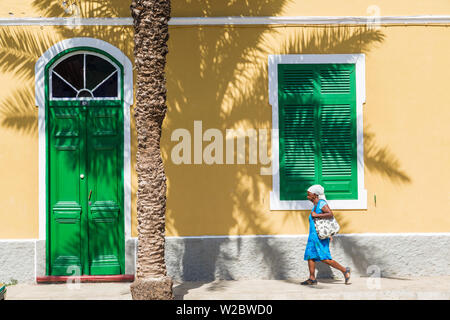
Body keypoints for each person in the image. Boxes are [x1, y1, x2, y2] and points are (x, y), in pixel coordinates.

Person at [301, 184, 351, 285]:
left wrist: (316, 215)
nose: (307, 196)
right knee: (310, 256)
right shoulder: (315, 205)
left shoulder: (321, 203)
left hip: (320, 237)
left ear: (315, 195)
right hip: (313, 236)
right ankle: (312, 278)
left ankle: (344, 270)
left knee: (324, 258)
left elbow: (330, 214)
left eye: (309, 194)